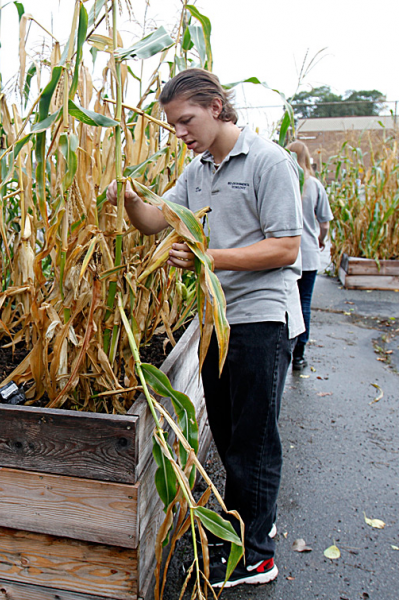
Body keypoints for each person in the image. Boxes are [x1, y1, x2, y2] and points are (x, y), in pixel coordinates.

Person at [107, 68, 303, 589]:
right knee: (230, 430)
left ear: (217, 107)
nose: (180, 132)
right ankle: (249, 521)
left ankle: (256, 557)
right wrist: (128, 199)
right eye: (173, 125)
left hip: (262, 319)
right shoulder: (197, 172)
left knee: (253, 440)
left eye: (186, 120)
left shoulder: (268, 161)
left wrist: (207, 258)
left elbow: (287, 247)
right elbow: (154, 220)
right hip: (216, 320)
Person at [286, 141, 333, 371]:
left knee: (286, 304)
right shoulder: (314, 186)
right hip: (309, 254)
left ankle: (286, 347)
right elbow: (324, 222)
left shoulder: (284, 182)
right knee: (304, 303)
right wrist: (320, 238)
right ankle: (299, 354)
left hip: (285, 256)